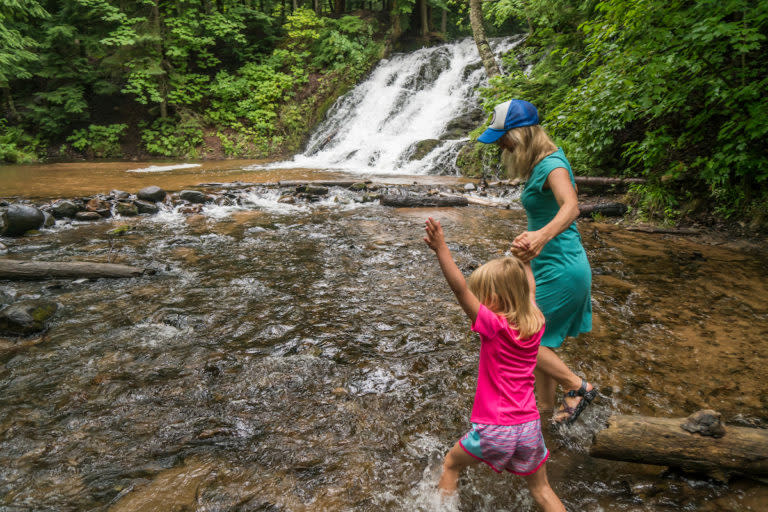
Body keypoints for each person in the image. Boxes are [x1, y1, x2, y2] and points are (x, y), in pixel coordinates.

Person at [423, 217, 566, 512]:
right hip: (529, 428)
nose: (477, 300)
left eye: (481, 297)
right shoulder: (536, 321)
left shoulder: (494, 326)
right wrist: (526, 261)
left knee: (451, 464)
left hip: (496, 429)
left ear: (495, 299)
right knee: (541, 489)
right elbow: (529, 292)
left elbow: (459, 289)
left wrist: (441, 249)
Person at [477, 99, 597, 424]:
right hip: (548, 266)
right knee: (538, 339)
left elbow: (571, 207)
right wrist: (529, 239)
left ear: (522, 132)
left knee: (521, 336)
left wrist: (540, 237)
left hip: (563, 268)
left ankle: (577, 386)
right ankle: (543, 411)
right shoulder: (540, 164)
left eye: (504, 137)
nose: (501, 144)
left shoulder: (552, 165)